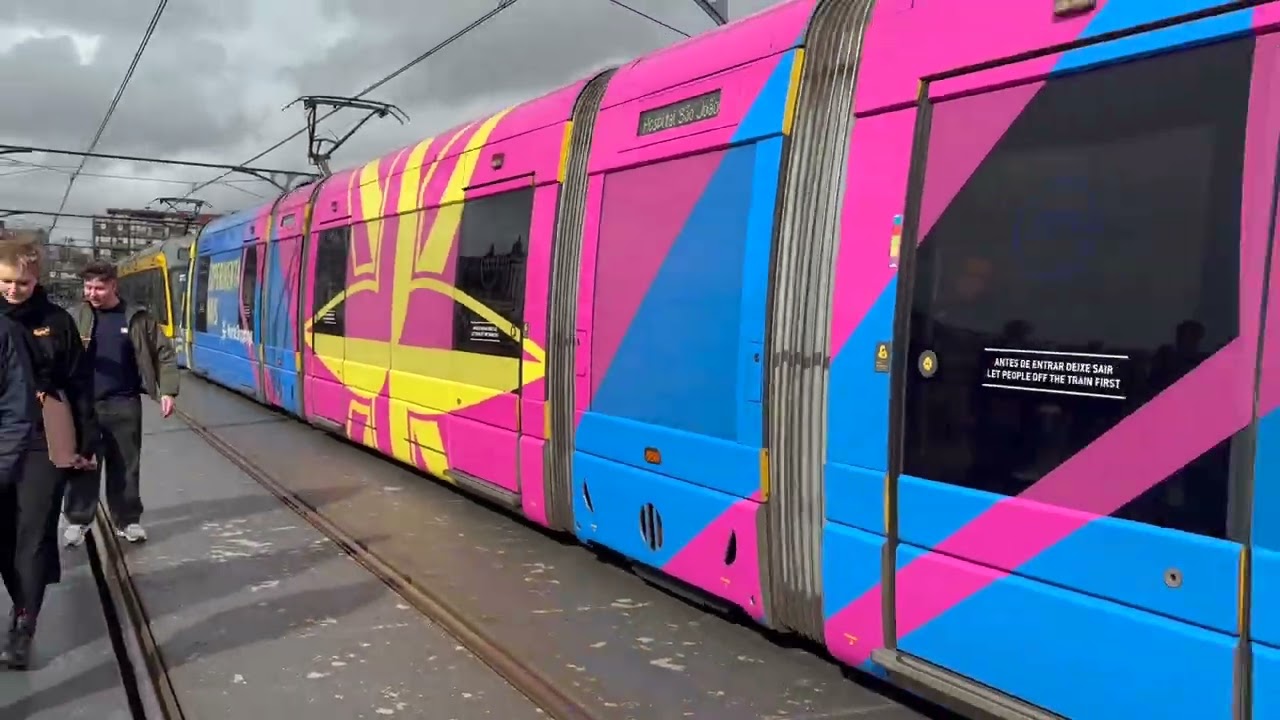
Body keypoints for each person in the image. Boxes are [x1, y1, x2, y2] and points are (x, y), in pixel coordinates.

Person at [0, 239, 96, 668]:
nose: (13, 289)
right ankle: (21, 597)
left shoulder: (56, 322)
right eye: (5, 281)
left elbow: (79, 382)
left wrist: (87, 442)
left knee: (34, 532)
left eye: (23, 282)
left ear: (37, 279)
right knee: (5, 536)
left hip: (44, 432)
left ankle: (25, 620)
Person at [63, 260, 178, 547]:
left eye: (99, 288)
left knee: (126, 464)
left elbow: (163, 353)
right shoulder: (75, 317)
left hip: (124, 402)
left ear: (114, 285)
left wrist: (168, 390)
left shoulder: (137, 317)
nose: (92, 293)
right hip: (83, 405)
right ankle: (78, 519)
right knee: (83, 463)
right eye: (88, 287)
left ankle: (127, 520)